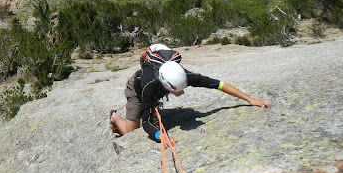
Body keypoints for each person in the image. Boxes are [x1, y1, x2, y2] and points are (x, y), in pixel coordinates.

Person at [109, 44, 270, 146]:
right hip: (136, 91)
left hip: (156, 91)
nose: (182, 92)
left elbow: (218, 84)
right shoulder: (149, 87)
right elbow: (145, 122)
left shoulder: (184, 75)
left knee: (155, 118)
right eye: (178, 90)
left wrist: (250, 99)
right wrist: (160, 136)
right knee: (131, 130)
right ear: (166, 86)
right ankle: (115, 117)